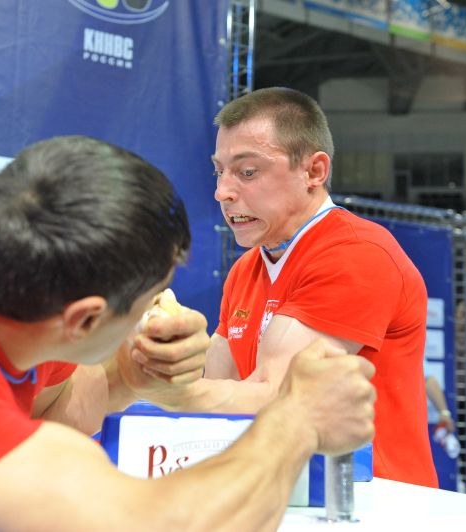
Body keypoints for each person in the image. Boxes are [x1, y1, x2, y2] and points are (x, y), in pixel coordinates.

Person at [0, 135, 376, 530]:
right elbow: (153, 525)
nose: (161, 313)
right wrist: (296, 420)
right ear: (86, 320)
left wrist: (124, 374)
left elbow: (45, 411)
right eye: (150, 301)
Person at [130, 87, 437, 488]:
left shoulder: (357, 252)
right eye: (218, 170)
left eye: (247, 171)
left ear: (314, 171)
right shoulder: (247, 269)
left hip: (377, 501)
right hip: (288, 494)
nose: (222, 191)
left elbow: (278, 394)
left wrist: (143, 388)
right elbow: (220, 395)